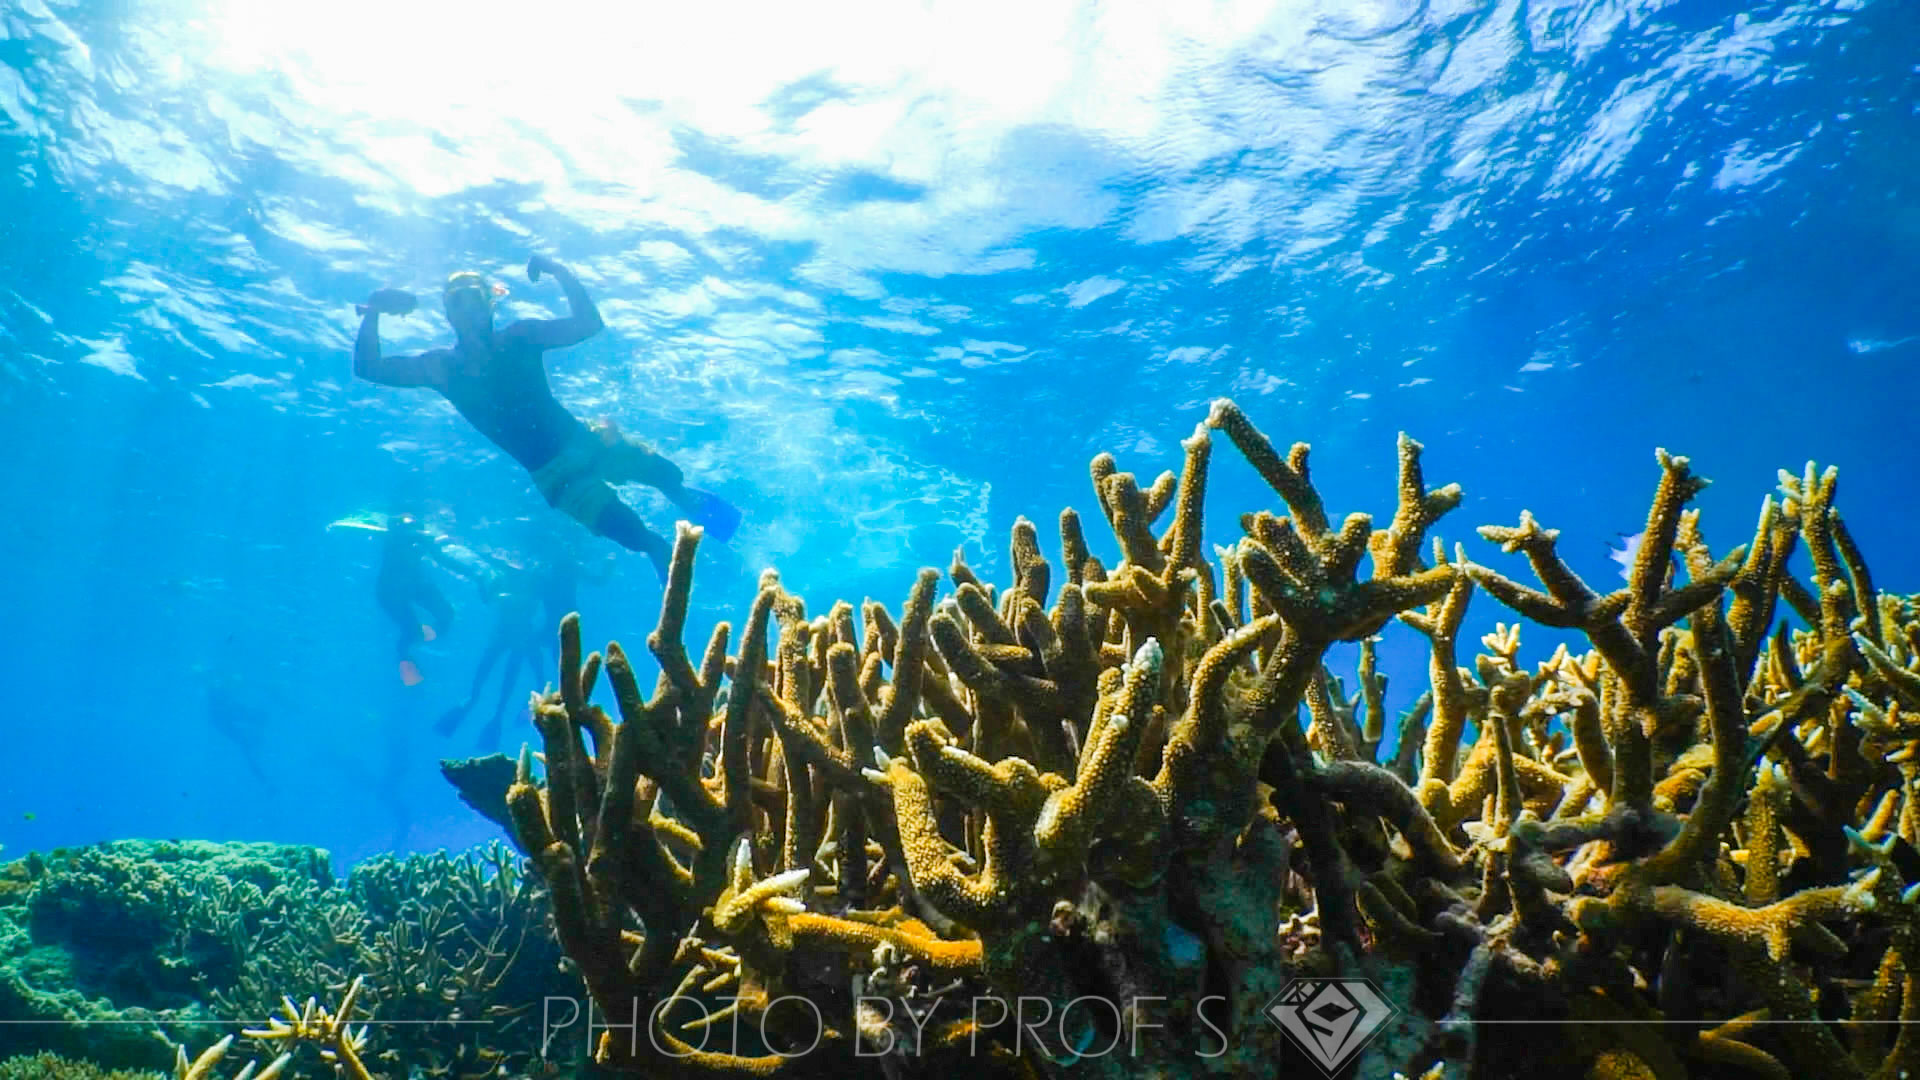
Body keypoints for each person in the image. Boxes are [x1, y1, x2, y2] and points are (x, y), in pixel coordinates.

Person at [352, 255, 741, 581]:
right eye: (457, 301)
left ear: (491, 303)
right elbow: (368, 369)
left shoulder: (519, 337)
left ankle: (718, 523)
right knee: (639, 538)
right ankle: (688, 581)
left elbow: (590, 325)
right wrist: (372, 310)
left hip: (585, 441)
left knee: (669, 479)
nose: (467, 308)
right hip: (556, 477)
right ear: (447, 313)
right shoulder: (441, 368)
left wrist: (561, 272)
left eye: (474, 298)